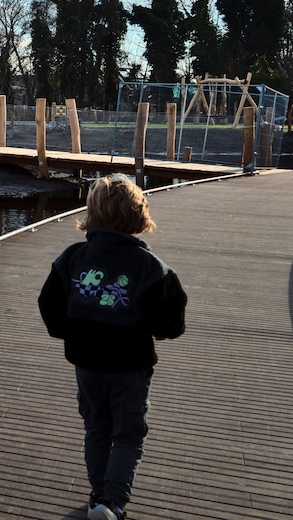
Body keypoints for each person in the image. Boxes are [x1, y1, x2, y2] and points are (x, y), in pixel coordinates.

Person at [38, 174, 187, 520]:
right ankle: (113, 504)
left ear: (91, 213)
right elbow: (170, 320)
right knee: (129, 433)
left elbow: (49, 304)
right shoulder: (151, 268)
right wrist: (161, 332)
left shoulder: (72, 258)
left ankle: (99, 496)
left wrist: (69, 331)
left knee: (97, 428)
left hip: (86, 363)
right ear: (139, 217)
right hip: (130, 366)